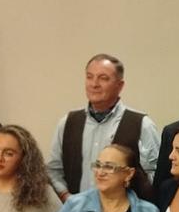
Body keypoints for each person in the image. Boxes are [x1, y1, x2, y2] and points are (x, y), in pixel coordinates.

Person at [47, 53, 160, 200]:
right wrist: (65, 196)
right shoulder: (67, 123)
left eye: (103, 78)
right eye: (89, 77)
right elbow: (53, 170)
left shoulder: (142, 125)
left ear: (120, 86)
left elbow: (155, 175)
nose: (94, 84)